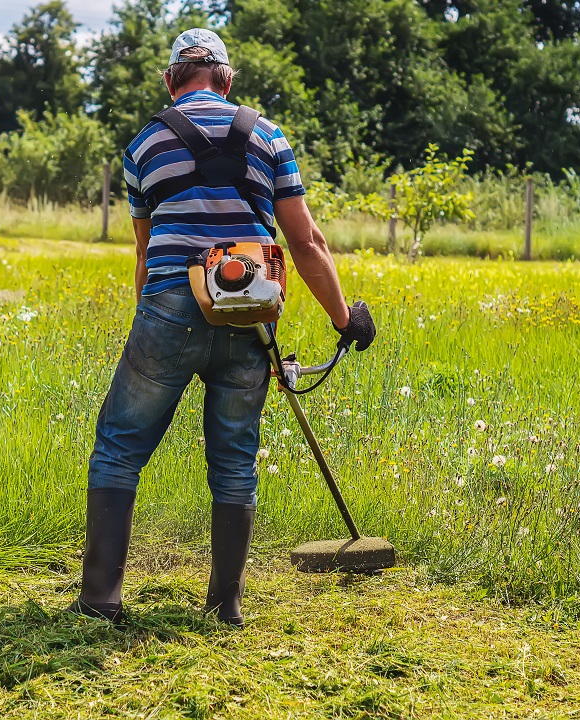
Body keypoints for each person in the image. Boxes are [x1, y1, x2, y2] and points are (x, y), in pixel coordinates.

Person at [68, 28, 376, 628]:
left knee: (118, 448)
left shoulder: (144, 144)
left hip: (170, 305)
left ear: (170, 80)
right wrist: (346, 319)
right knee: (235, 459)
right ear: (227, 79)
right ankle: (225, 605)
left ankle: (101, 598)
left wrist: (151, 322)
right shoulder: (267, 135)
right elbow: (306, 241)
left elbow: (144, 251)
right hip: (251, 309)